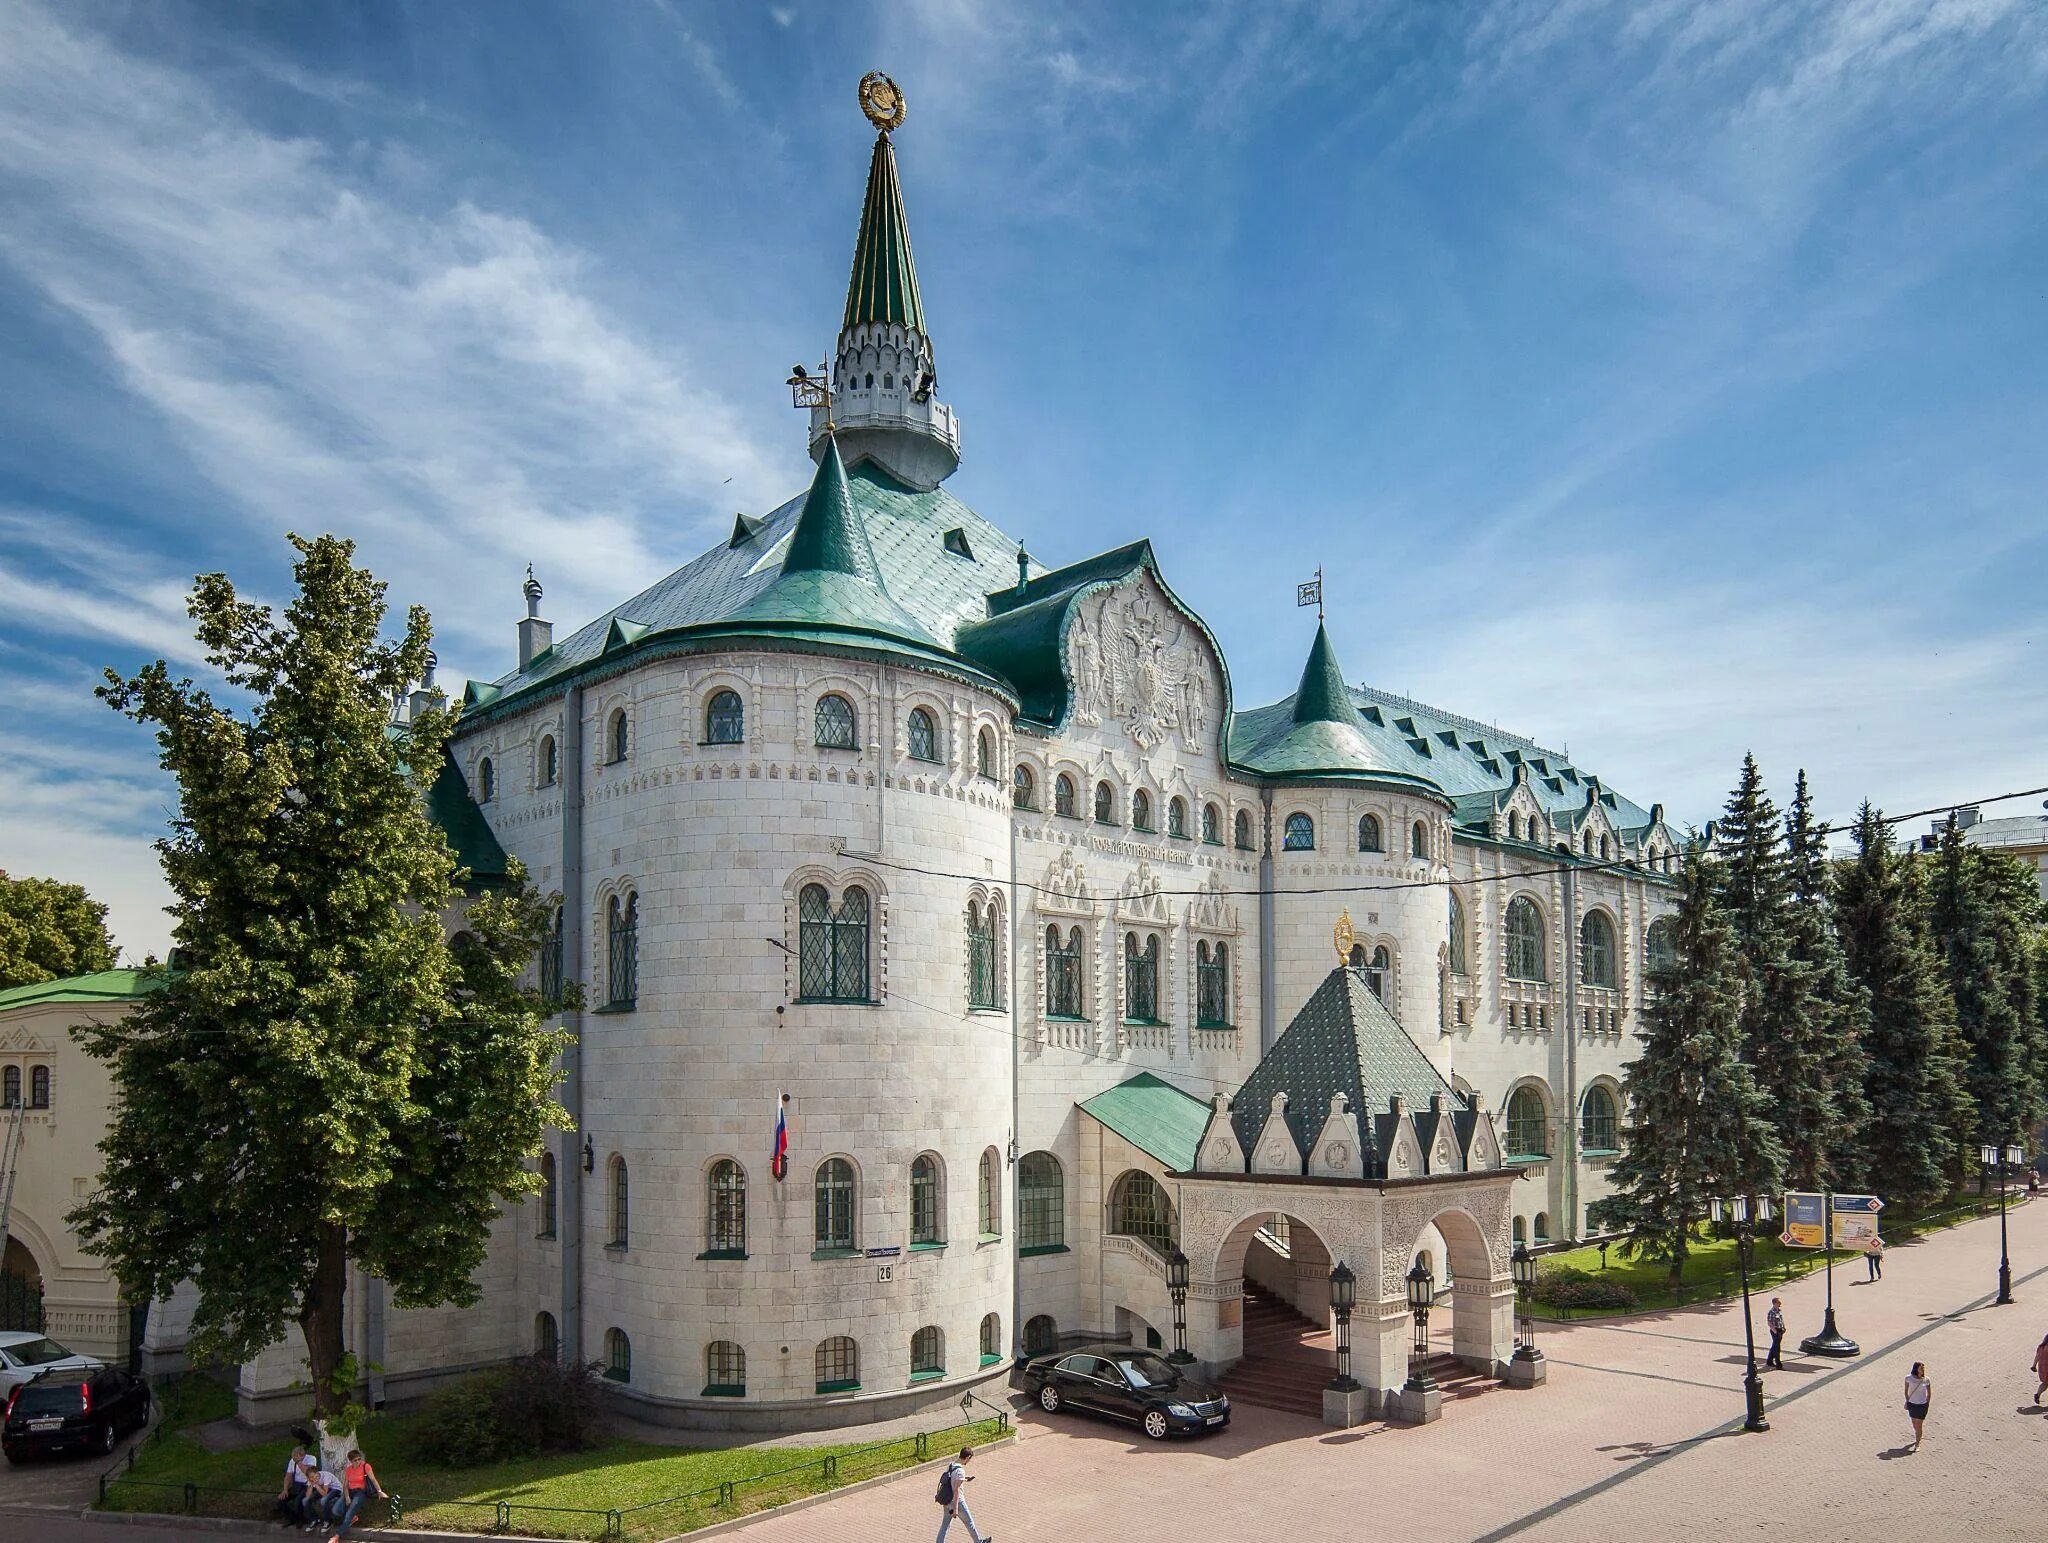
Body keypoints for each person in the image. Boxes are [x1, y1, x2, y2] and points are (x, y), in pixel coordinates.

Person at [935, 1444, 991, 1543]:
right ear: (967, 1457)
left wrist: (964, 1479)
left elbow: (950, 1480)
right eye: (970, 1459)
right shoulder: (960, 1471)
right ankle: (979, 1541)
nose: (969, 1461)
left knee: (944, 1526)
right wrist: (956, 1508)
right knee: (969, 1522)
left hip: (947, 1501)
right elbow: (956, 1490)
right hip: (958, 1502)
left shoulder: (951, 1465)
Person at [332, 1448, 384, 1539]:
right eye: (355, 1460)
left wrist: (379, 1491)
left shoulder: (366, 1466)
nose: (358, 1461)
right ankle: (353, 1517)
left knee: (349, 1512)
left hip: (360, 1492)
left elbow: (373, 1479)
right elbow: (345, 1485)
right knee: (336, 1510)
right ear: (351, 1461)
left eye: (359, 1459)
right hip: (350, 1491)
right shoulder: (349, 1469)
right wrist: (347, 1496)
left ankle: (336, 1536)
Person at [302, 1461, 345, 1534]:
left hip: (336, 1489)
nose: (314, 1478)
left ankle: (327, 1521)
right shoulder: (311, 1479)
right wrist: (311, 1485)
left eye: (315, 1476)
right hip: (322, 1489)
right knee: (305, 1501)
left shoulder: (326, 1476)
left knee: (324, 1500)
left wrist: (316, 1485)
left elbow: (325, 1493)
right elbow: (308, 1496)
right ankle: (314, 1520)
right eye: (311, 1477)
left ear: (317, 1473)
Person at [275, 1445, 312, 1527]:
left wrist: (299, 1462)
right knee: (281, 1501)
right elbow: (288, 1475)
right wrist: (285, 1490)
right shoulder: (292, 1461)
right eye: (293, 1457)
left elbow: (309, 1473)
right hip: (297, 1485)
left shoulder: (311, 1459)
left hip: (307, 1485)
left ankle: (300, 1520)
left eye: (295, 1457)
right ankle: (292, 1518)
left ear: (302, 1455)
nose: (293, 1459)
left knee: (298, 1501)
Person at [1903, 1362, 1931, 1450]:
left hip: (1922, 1405)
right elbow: (1906, 1391)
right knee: (1914, 1423)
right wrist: (1908, 1401)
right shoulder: (1908, 1378)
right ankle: (1918, 1435)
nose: (1923, 1370)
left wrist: (1927, 1403)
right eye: (1921, 1368)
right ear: (1916, 1369)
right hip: (1912, 1404)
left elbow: (1929, 1393)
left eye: (1923, 1368)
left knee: (1919, 1425)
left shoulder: (1926, 1379)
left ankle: (1917, 1443)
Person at [1764, 1297, 1786, 1370]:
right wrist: (1775, 1332)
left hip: (1780, 1330)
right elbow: (1769, 1323)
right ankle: (1778, 1364)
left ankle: (1769, 1361)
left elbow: (1781, 1320)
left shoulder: (1778, 1311)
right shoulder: (1771, 1312)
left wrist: (1783, 1327)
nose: (1780, 1304)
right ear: (1774, 1303)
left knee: (1774, 1346)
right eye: (1778, 1303)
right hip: (1775, 1331)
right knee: (1777, 1348)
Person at [2031, 1332, 2048, 1406]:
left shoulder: (2041, 1347)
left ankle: (2037, 1394)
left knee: (2045, 1383)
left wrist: (2034, 1365)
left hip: (2042, 1368)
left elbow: (2037, 1357)